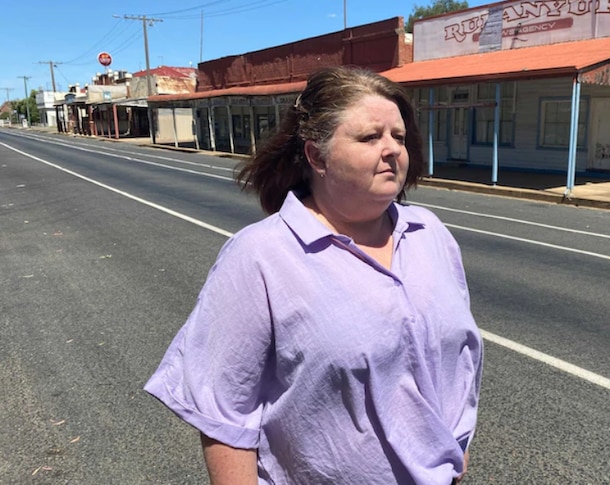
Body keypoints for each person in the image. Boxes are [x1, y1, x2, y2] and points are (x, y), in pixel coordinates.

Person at [144, 66, 483, 484]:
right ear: (316, 156)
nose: (392, 149)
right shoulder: (260, 255)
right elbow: (224, 412)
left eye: (398, 136)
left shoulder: (431, 234)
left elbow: (458, 362)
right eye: (370, 137)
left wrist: (457, 457)